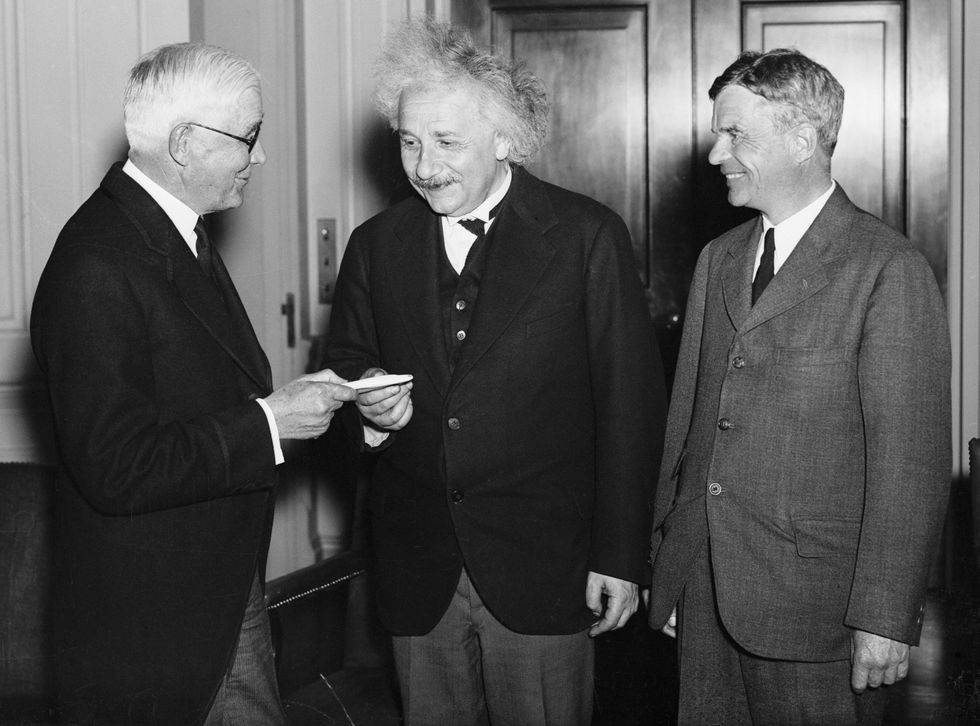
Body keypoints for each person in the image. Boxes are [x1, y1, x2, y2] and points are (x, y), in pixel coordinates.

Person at [324, 17, 667, 726]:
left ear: (505, 140)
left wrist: (622, 556)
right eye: (410, 141)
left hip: (548, 565)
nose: (423, 165)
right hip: (419, 567)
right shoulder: (375, 245)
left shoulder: (585, 236)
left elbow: (630, 410)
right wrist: (371, 418)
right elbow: (345, 370)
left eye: (447, 143)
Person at [30, 42, 357, 725]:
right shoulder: (98, 263)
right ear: (184, 143)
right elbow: (118, 467)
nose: (258, 158)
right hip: (159, 631)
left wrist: (298, 407)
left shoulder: (172, 234)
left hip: (212, 592)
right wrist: (270, 423)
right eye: (250, 137)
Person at [647, 48, 951, 725]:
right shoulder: (717, 259)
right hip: (704, 593)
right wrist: (669, 567)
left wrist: (885, 615)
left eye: (735, 134)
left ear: (803, 139)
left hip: (820, 614)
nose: (714, 153)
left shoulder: (887, 269)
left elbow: (910, 465)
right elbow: (689, 426)